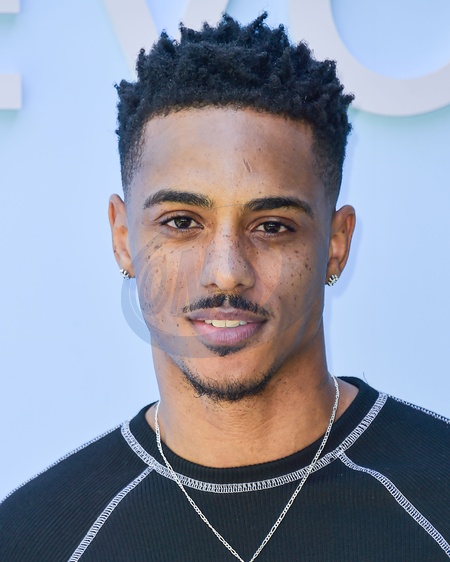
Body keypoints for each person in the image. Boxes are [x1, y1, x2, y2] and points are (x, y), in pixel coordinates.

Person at [0, 13, 449, 562]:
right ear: (122, 238)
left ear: (336, 243)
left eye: (272, 227)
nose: (227, 271)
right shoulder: (34, 538)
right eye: (182, 222)